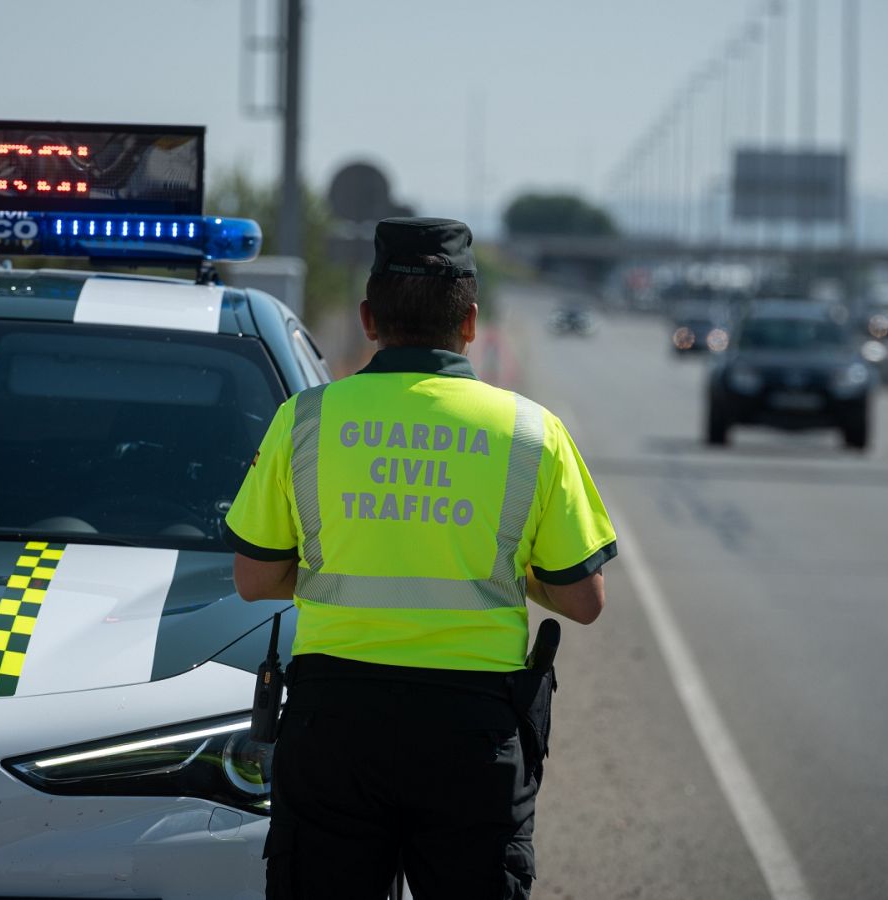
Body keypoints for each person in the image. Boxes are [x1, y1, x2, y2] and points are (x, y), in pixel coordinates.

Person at [221, 217, 617, 899]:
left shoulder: (307, 418)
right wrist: (509, 569)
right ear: (470, 323)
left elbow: (254, 579)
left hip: (333, 726)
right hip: (473, 734)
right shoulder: (532, 431)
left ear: (369, 318)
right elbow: (583, 601)